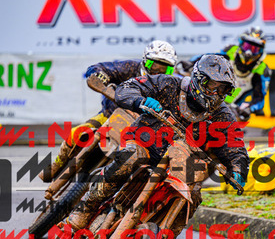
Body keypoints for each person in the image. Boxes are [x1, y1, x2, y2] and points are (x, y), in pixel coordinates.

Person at [66, 54, 249, 239]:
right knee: (130, 158)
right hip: (144, 143)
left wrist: (239, 170)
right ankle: (86, 207)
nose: (217, 93)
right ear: (199, 79)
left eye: (222, 90)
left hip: (178, 162)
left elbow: (235, 145)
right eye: (213, 86)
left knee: (192, 195)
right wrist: (139, 101)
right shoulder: (168, 83)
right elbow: (129, 87)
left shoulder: (221, 114)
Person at [40, 40, 178, 181]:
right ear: (145, 61)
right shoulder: (130, 67)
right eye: (154, 65)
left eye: (165, 69)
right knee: (77, 133)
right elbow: (98, 68)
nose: (157, 71)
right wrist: (99, 74)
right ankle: (56, 166)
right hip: (109, 116)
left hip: (142, 129)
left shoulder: (170, 85)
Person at [177, 26, 272, 120]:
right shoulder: (231, 50)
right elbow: (209, 57)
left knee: (239, 120)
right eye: (247, 46)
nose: (249, 52)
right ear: (241, 43)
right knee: (184, 75)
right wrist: (191, 63)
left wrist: (249, 109)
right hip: (207, 93)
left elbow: (259, 100)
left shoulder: (262, 70)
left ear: (261, 50)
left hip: (229, 107)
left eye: (254, 49)